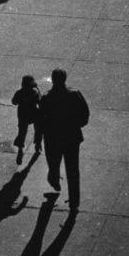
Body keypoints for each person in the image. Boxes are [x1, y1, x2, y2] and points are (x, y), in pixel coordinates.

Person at [39, 68, 90, 213]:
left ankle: (54, 181)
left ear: (52, 79)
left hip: (53, 138)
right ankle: (74, 201)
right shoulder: (74, 94)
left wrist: (40, 136)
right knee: (73, 169)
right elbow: (85, 114)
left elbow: (41, 120)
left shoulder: (46, 97)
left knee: (53, 163)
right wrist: (75, 125)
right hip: (71, 137)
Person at [11, 74, 42, 163]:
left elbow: (14, 102)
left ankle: (20, 149)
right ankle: (38, 144)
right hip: (33, 113)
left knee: (22, 132)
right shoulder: (34, 92)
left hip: (22, 114)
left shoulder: (19, 92)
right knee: (38, 128)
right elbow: (40, 102)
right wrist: (38, 89)